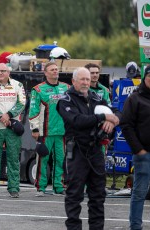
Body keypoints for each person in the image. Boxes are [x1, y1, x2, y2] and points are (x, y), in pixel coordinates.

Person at [56, 67, 121, 230]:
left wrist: (113, 120)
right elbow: (77, 120)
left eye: (87, 79)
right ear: (73, 81)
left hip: (95, 151)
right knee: (74, 195)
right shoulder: (65, 100)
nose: (86, 82)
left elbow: (117, 112)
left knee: (98, 195)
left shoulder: (96, 97)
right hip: (76, 151)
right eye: (82, 79)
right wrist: (103, 117)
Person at [28, 62, 69, 196]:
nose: (55, 71)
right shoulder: (38, 89)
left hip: (62, 132)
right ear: (45, 73)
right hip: (45, 132)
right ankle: (41, 187)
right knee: (43, 160)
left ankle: (59, 186)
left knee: (60, 160)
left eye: (56, 69)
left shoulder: (67, 88)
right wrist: (34, 129)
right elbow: (33, 110)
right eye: (52, 70)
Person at [0, 63, 26, 198]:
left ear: (9, 72)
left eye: (3, 71)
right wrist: (0, 117)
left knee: (14, 159)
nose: (1, 73)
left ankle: (14, 188)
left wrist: (8, 115)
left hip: (12, 128)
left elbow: (22, 103)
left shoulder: (17, 85)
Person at [120, 65, 150, 229]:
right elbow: (126, 125)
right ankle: (135, 226)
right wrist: (139, 149)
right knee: (139, 193)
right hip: (143, 154)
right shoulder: (135, 98)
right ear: (145, 77)